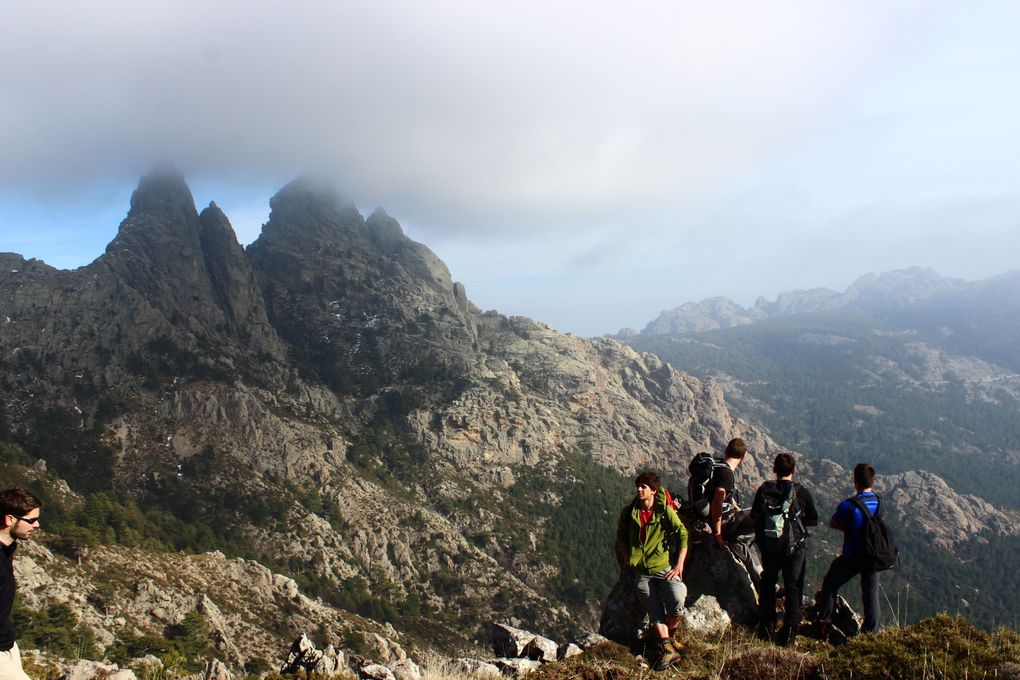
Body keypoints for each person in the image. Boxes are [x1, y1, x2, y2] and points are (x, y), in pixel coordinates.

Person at [616, 471, 689, 671]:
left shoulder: (664, 511)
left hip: (663, 567)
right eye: (638, 486)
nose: (639, 490)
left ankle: (668, 639)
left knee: (677, 597)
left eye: (643, 487)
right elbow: (621, 536)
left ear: (654, 491)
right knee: (655, 611)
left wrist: (679, 564)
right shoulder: (629, 513)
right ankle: (668, 648)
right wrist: (625, 556)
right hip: (641, 570)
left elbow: (683, 533)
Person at [749, 453, 818, 646]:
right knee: (793, 587)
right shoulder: (800, 492)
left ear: (774, 470)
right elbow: (814, 519)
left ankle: (766, 629)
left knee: (768, 583)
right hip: (793, 548)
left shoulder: (764, 489)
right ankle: (789, 633)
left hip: (769, 546)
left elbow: (755, 517)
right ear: (794, 471)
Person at [816, 463, 882, 635]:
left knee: (830, 584)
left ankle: (825, 622)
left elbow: (833, 523)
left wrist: (847, 527)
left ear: (855, 482)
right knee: (871, 597)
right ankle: (871, 634)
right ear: (873, 481)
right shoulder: (878, 502)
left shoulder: (849, 505)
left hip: (852, 555)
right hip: (872, 556)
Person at [0, 488, 42, 680]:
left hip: (8, 645)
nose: (37, 525)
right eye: (31, 520)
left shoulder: (7, 549)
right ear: (9, 520)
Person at [709, 438, 755, 549]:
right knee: (761, 513)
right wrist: (717, 534)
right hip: (724, 523)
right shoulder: (726, 474)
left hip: (708, 514)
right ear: (743, 458)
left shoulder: (716, 465)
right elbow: (717, 503)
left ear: (726, 451)